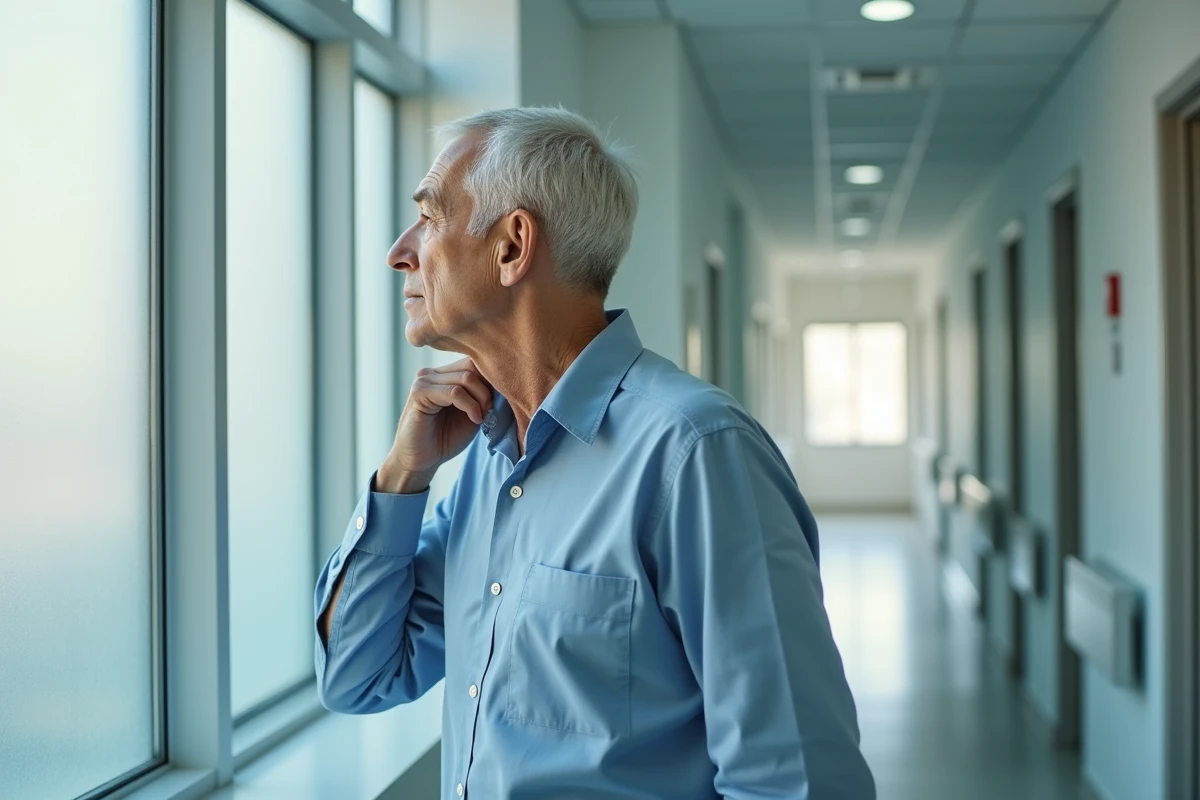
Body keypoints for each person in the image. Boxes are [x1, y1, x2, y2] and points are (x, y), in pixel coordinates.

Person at [314, 106, 875, 799]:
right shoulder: (487, 461)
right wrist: (402, 476)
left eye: (428, 217)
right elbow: (358, 676)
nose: (399, 252)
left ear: (512, 246)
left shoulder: (697, 455)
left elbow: (796, 781)